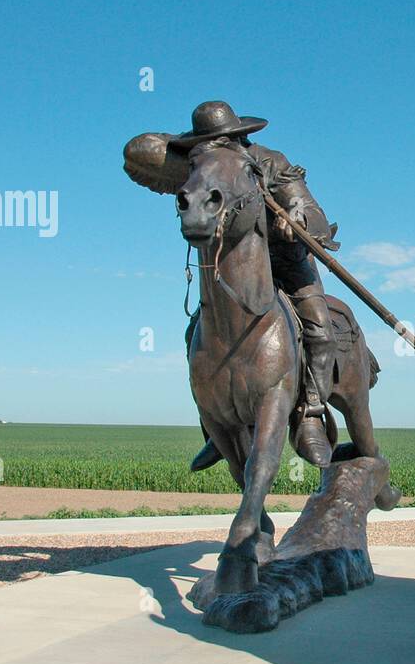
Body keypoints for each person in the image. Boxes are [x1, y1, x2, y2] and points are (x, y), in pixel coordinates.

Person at [124, 101, 339, 466]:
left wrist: (299, 219)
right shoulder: (201, 163)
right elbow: (138, 150)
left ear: (239, 136)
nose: (214, 145)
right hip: (235, 267)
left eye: (221, 139)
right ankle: (217, 429)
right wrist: (185, 150)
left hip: (285, 259)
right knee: (198, 332)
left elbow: (313, 211)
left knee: (319, 325)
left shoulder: (271, 161)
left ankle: (310, 414)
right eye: (206, 140)